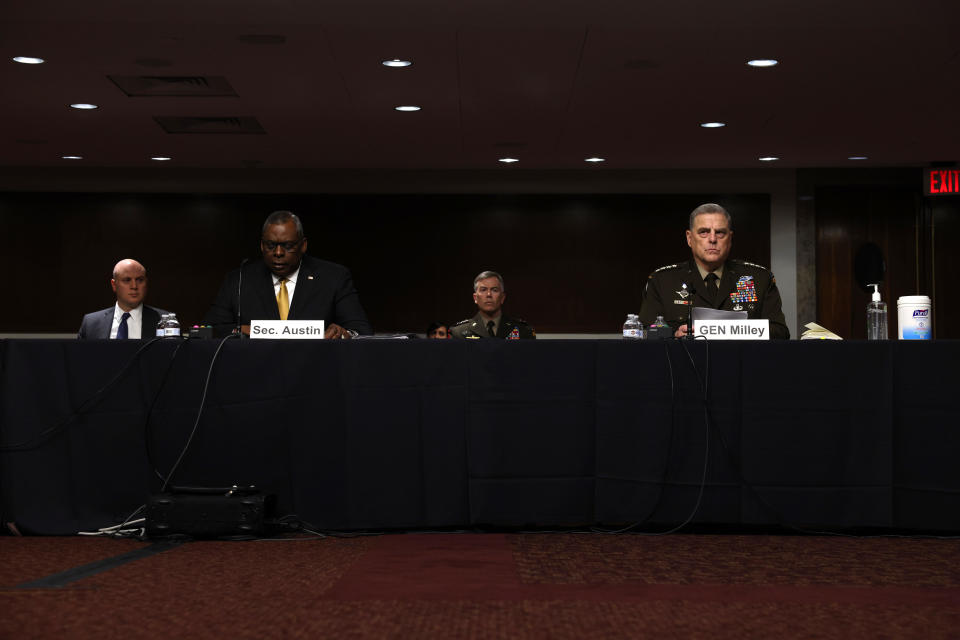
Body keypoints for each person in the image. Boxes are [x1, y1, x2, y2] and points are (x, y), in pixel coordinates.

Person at [203, 210, 372, 338]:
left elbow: (360, 330)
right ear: (262, 245)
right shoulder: (239, 279)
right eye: (270, 245)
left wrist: (343, 333)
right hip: (254, 371)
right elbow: (209, 329)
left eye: (288, 246)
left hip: (316, 370)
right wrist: (242, 330)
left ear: (303, 245)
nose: (278, 252)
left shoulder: (333, 277)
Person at [639, 203, 790, 339]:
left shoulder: (759, 279)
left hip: (743, 365)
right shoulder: (663, 281)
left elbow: (780, 333)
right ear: (689, 238)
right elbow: (645, 332)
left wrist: (732, 331)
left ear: (730, 239)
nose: (712, 239)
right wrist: (674, 334)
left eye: (720, 233)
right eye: (704, 232)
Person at [78, 258, 168, 339]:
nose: (134, 286)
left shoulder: (166, 322)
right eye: (127, 280)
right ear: (114, 285)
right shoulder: (91, 323)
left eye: (140, 280)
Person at [450, 270, 536, 339]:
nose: (488, 295)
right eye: (483, 290)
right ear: (475, 298)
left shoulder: (523, 331)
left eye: (494, 290)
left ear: (502, 297)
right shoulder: (459, 332)